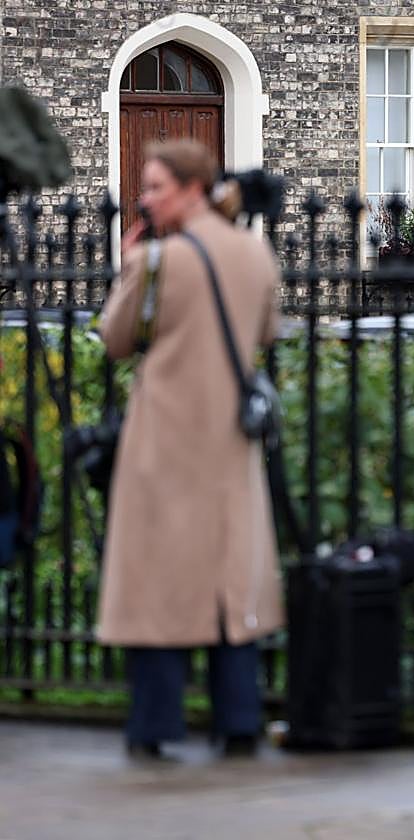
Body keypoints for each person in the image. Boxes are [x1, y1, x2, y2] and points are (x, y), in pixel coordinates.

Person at [97, 139, 283, 760]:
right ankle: (238, 722)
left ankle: (154, 727)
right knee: (228, 581)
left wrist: (128, 270)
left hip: (166, 439)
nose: (144, 198)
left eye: (154, 187)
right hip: (229, 438)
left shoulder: (157, 260)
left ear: (192, 188)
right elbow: (265, 332)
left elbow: (117, 340)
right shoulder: (255, 255)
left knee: (158, 582)